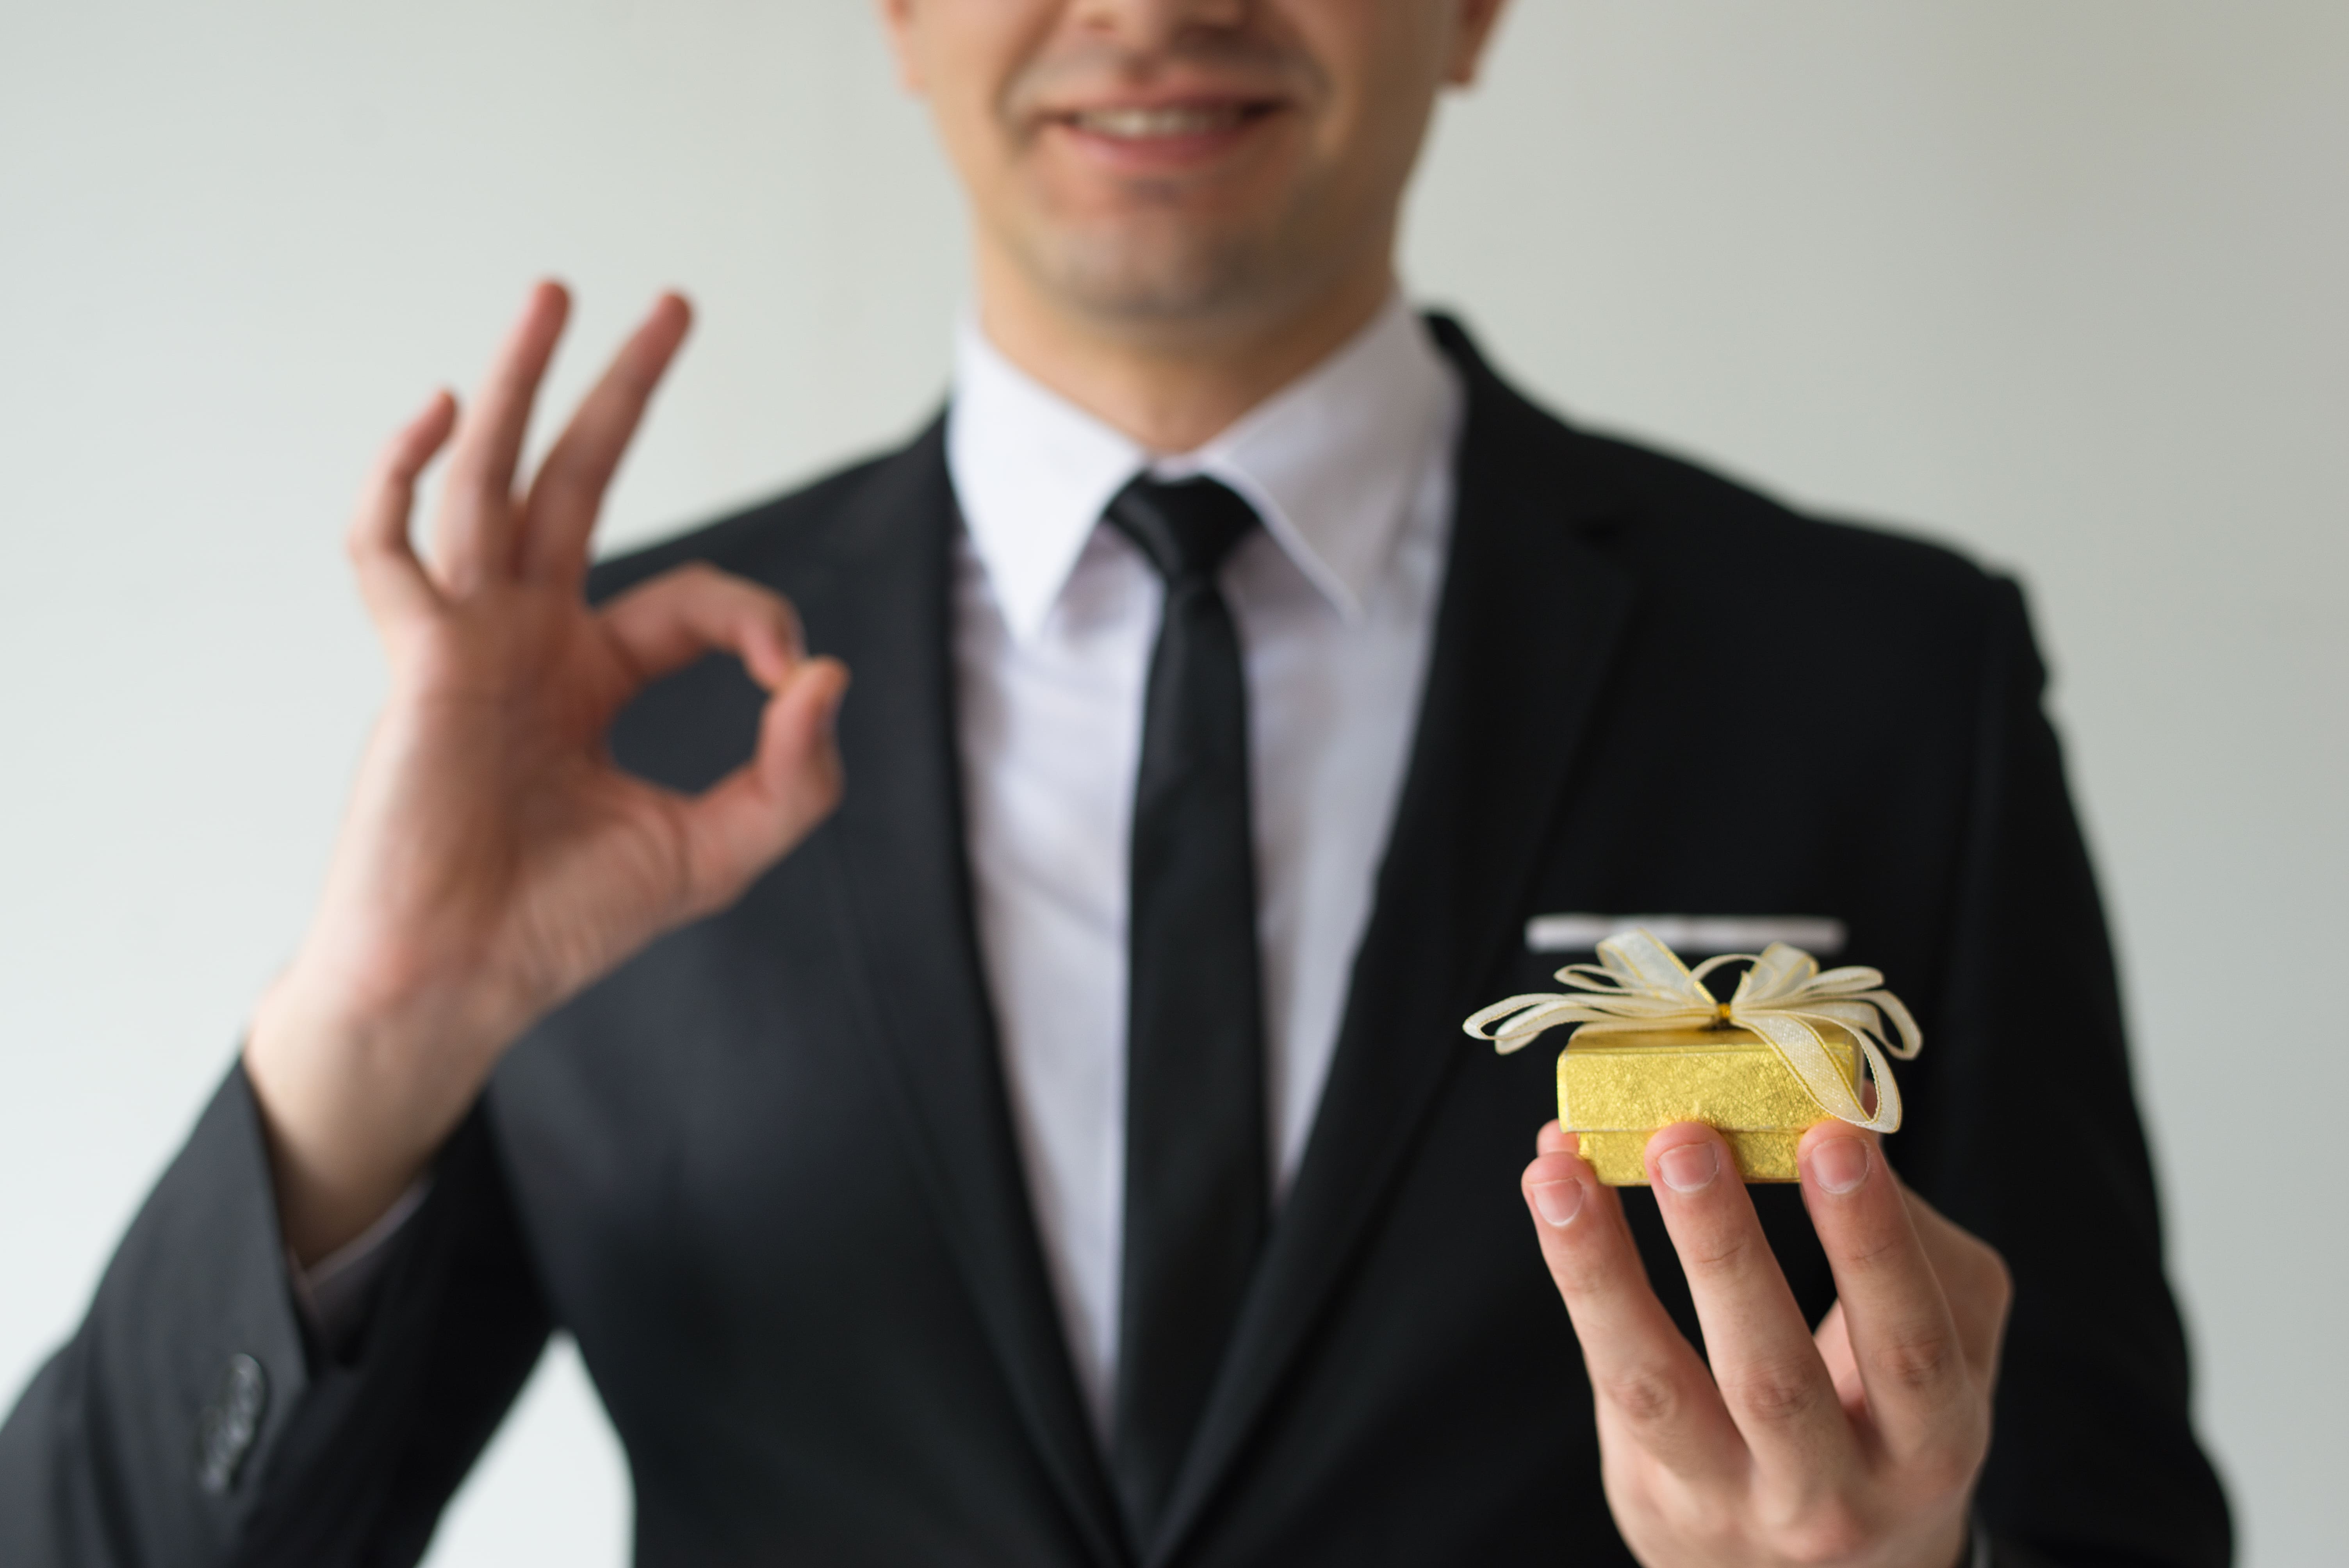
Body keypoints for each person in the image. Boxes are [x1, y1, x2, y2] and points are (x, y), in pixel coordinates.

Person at [0, 3, 2230, 1564]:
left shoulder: (1872, 675)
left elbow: (2109, 1518)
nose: (1156, 4)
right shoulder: (584, 726)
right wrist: (366, 1035)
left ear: (1475, 3)